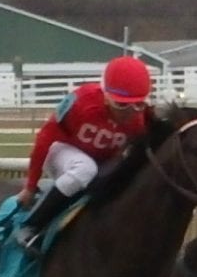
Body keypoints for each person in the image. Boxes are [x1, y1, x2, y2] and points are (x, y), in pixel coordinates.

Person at [13, 55, 153, 256]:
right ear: (105, 95)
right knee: (85, 168)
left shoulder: (140, 121)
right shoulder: (81, 101)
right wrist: (30, 186)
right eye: (121, 105)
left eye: (138, 105)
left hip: (99, 163)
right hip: (61, 152)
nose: (129, 113)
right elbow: (45, 138)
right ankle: (30, 227)